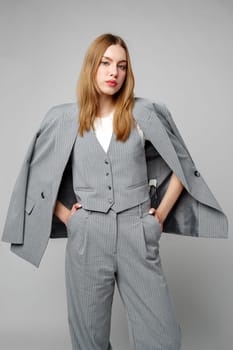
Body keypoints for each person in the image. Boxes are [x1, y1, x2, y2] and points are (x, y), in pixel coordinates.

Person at [2, 33, 228, 350]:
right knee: (88, 339)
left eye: (122, 66)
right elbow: (36, 178)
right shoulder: (64, 119)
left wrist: (158, 217)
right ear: (92, 66)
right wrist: (69, 218)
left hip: (138, 231)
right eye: (106, 63)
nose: (114, 73)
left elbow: (183, 168)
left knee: (162, 338)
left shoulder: (145, 114)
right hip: (88, 235)